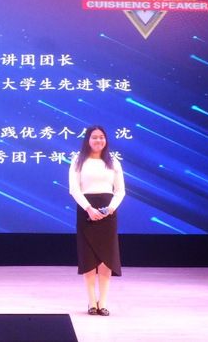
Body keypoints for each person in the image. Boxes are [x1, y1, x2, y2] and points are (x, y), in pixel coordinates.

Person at [68, 124, 125, 317]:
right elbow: (74, 189)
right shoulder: (78, 160)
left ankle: (104, 302)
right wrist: (89, 209)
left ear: (106, 140)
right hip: (87, 210)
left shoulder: (113, 162)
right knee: (89, 257)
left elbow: (120, 190)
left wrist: (110, 208)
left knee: (106, 258)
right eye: (94, 137)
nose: (98, 140)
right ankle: (92, 301)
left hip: (108, 211)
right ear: (87, 140)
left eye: (101, 137)